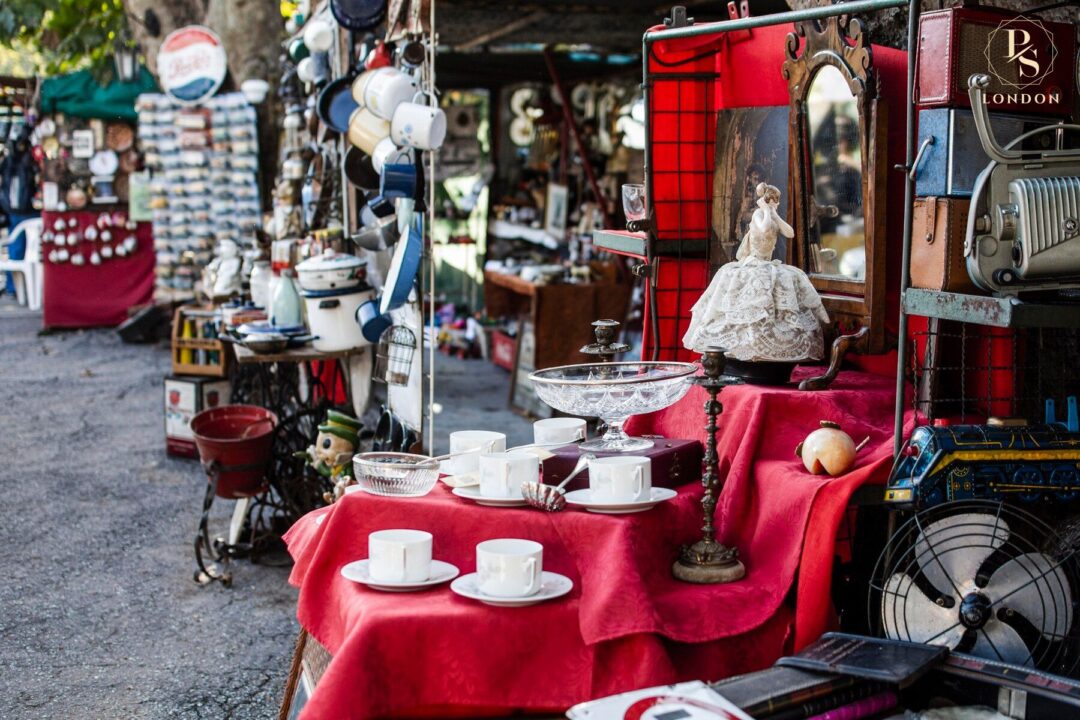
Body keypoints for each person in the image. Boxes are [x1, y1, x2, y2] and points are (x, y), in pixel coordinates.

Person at [683, 182, 829, 362]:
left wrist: (774, 213)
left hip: (768, 263)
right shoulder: (758, 215)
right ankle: (745, 347)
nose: (776, 203)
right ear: (766, 200)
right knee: (752, 302)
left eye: (777, 201)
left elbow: (790, 233)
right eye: (774, 200)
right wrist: (766, 210)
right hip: (753, 262)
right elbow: (764, 228)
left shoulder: (772, 215)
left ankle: (771, 349)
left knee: (789, 279)